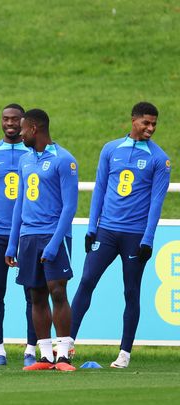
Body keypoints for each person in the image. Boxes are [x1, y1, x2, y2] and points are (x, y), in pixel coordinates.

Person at [70, 102, 171, 368]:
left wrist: (147, 239)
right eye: (146, 123)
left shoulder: (160, 159)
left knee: (131, 291)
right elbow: (100, 189)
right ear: (133, 120)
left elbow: (156, 203)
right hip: (106, 231)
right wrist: (92, 227)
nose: (150, 128)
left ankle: (124, 354)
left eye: (154, 124)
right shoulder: (110, 149)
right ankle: (66, 344)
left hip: (135, 236)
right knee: (87, 281)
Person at [5, 109, 78, 372]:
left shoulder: (64, 160)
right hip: (28, 236)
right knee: (35, 295)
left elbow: (70, 207)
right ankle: (45, 357)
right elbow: (19, 204)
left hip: (53, 235)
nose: (19, 133)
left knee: (57, 292)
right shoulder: (25, 161)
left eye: (23, 128)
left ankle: (65, 356)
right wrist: (13, 242)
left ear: (34, 128)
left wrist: (55, 243)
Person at [0, 104, 38, 367]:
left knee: (32, 293)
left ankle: (30, 350)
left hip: (28, 233)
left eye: (15, 119)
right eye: (5, 119)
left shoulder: (34, 153)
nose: (10, 123)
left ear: (24, 122)